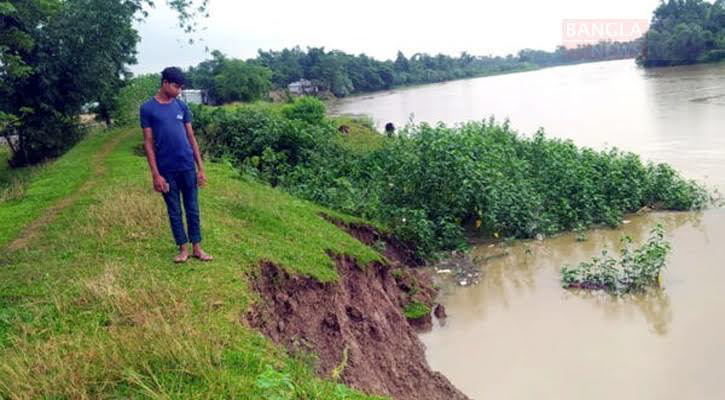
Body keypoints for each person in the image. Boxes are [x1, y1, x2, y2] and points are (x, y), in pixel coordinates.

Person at [140, 67, 213, 263]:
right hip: (166, 170)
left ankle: (197, 247)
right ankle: (182, 249)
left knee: (193, 208)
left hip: (187, 166)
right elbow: (148, 142)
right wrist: (156, 174)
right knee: (174, 210)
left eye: (181, 87)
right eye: (175, 86)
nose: (178, 91)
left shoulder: (181, 107)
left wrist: (201, 168)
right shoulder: (147, 109)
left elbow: (191, 137)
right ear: (164, 83)